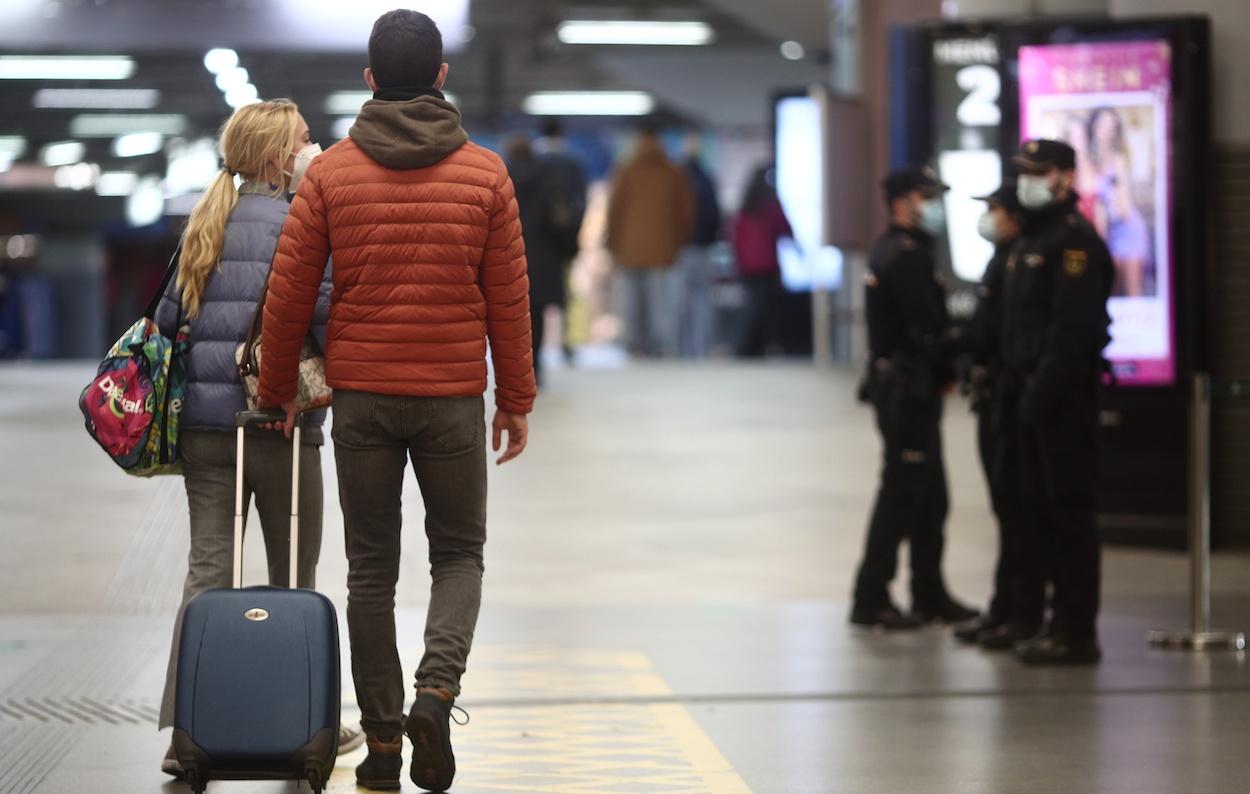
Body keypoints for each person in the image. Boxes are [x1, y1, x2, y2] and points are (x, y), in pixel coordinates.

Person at [256, 10, 536, 792]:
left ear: (370, 81)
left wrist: (280, 390)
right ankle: (435, 693)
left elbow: (287, 296)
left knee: (369, 574)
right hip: (451, 398)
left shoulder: (333, 174)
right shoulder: (485, 175)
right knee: (459, 555)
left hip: (364, 402)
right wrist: (516, 399)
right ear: (442, 78)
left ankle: (382, 746)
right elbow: (509, 300)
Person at [151, 99, 362, 778]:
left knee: (206, 573)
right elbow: (327, 318)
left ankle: (188, 728)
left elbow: (166, 320)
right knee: (293, 577)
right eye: (305, 140)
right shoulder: (305, 223)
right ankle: (298, 719)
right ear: (278, 157)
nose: (315, 148)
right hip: (282, 425)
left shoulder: (204, 221)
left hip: (206, 431)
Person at [849, 166, 978, 630]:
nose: (933, 207)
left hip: (911, 386)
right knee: (902, 493)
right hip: (905, 389)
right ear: (903, 202)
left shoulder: (902, 250)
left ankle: (929, 592)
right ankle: (871, 595)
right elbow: (927, 330)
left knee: (930, 497)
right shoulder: (903, 256)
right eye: (926, 199)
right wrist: (973, 343)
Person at [1001, 139, 1113, 665]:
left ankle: (1076, 630)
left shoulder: (1074, 242)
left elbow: (1074, 333)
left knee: (1069, 514)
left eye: (1039, 172)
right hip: (1033, 395)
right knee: (1039, 513)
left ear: (1066, 177)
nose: (1029, 181)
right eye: (1024, 171)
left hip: (1062, 400)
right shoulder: (1035, 237)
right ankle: (1053, 621)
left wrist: (1040, 395)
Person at [950, 181, 1031, 649]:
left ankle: (1021, 611)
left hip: (1012, 396)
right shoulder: (1003, 258)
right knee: (1006, 508)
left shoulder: (1022, 258)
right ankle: (1005, 607)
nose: (990, 218)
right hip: (993, 396)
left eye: (996, 210)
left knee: (1020, 509)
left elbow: (995, 330)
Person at [606, 122, 695, 357]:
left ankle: (634, 344)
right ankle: (660, 344)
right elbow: (685, 211)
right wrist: (677, 241)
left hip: (629, 247)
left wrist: (613, 244)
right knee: (660, 302)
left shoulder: (626, 170)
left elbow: (615, 209)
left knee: (633, 301)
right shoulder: (673, 171)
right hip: (663, 248)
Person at [512, 120, 587, 384]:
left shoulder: (503, 177)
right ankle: (536, 367)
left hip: (511, 255)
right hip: (545, 254)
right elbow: (566, 215)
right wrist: (570, 248)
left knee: (513, 315)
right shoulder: (551, 176)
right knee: (538, 313)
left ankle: (515, 369)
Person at [1087, 107, 1153, 297]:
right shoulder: (1088, 162)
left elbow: (1124, 207)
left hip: (1128, 228)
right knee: (1109, 290)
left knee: (1133, 290)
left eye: (1112, 126)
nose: (1107, 131)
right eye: (1103, 125)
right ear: (1094, 127)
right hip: (1106, 232)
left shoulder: (1118, 160)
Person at [731, 165, 792, 358]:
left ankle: (746, 348)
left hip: (747, 266)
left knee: (751, 308)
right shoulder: (771, 205)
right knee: (767, 309)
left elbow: (735, 237)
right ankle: (764, 346)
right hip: (767, 265)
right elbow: (785, 229)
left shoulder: (745, 206)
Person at [676, 133, 723, 358]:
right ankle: (702, 349)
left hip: (681, 249)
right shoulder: (706, 179)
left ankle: (684, 351)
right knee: (703, 300)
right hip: (702, 248)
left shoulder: (677, 180)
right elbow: (715, 216)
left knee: (681, 302)